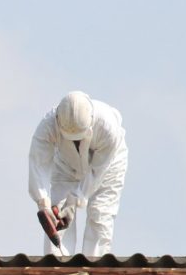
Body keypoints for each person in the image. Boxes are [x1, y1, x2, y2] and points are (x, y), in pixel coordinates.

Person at [28, 91, 128, 257]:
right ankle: (56, 265)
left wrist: (75, 200)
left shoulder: (108, 127)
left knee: (99, 213)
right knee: (56, 212)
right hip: (66, 164)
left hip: (108, 166)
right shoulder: (47, 125)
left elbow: (97, 172)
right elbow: (38, 163)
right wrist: (43, 204)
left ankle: (95, 265)